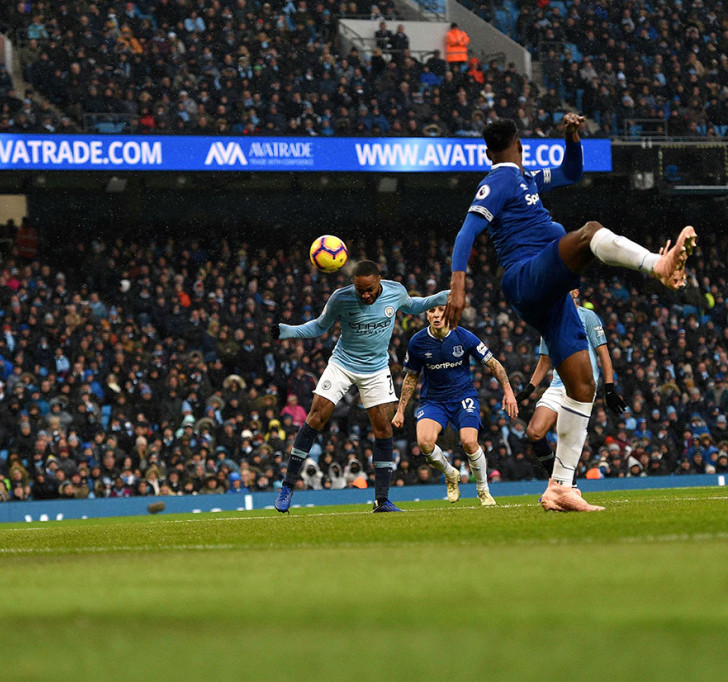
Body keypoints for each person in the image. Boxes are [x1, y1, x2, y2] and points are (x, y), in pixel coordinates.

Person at [444, 114, 696, 511]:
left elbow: (571, 171)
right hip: (527, 274)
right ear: (519, 146)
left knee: (582, 387)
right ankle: (657, 265)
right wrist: (458, 282)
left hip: (551, 293)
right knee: (589, 231)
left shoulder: (527, 180)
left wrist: (572, 138)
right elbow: (466, 231)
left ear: (489, 150)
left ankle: (559, 487)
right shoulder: (501, 179)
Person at [270, 259, 449, 513]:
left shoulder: (395, 291)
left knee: (383, 427)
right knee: (317, 416)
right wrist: (288, 331)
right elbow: (320, 326)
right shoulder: (340, 298)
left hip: (376, 369)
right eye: (359, 290)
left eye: (369, 290)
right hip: (342, 363)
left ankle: (382, 500)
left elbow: (414, 305)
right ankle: (287, 486)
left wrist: (442, 296)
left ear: (378, 282)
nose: (364, 294)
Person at [392, 305, 518, 506]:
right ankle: (450, 473)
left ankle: (483, 490)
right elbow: (410, 377)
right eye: (432, 310)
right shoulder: (418, 342)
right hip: (433, 400)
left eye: (441, 310)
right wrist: (400, 410)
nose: (437, 315)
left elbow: (493, 363)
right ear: (426, 315)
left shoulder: (464, 336)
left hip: (463, 397)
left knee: (469, 441)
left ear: (448, 313)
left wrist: (509, 392)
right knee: (424, 443)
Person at [516, 289, 627, 481]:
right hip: (559, 385)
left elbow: (604, 354)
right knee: (534, 432)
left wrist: (609, 388)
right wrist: (529, 389)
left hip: (582, 388)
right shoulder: (549, 321)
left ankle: (565, 486)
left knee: (566, 438)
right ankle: (562, 482)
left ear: (575, 292)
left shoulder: (588, 317)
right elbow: (544, 361)